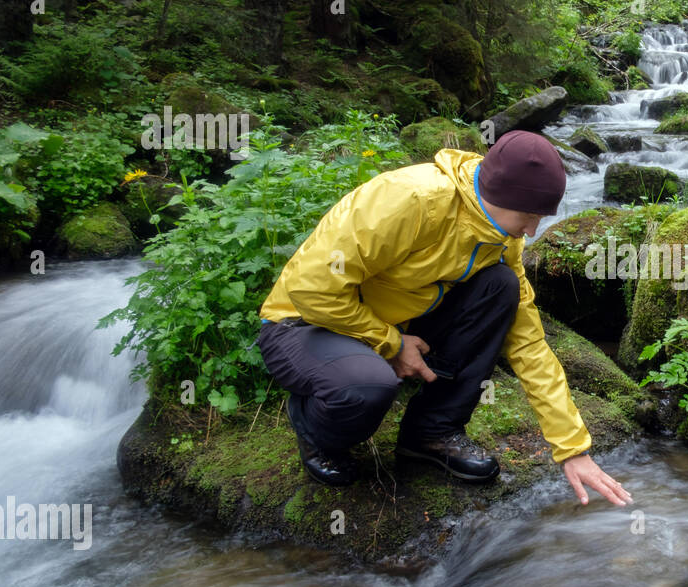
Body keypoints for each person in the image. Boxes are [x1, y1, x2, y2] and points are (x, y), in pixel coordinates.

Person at [253, 129, 633, 508]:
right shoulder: (409, 200)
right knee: (369, 388)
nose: (532, 231)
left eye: (542, 217)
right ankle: (314, 428)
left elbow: (527, 340)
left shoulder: (502, 237)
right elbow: (311, 291)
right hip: (304, 323)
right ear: (497, 194)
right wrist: (391, 343)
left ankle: (431, 432)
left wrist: (571, 447)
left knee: (501, 287)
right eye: (529, 216)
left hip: (392, 321)